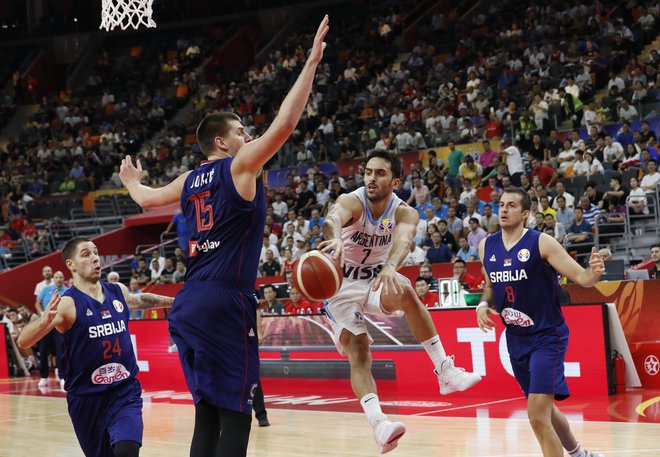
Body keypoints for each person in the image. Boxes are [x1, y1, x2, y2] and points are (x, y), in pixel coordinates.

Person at [119, 16, 329, 457]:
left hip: (189, 303)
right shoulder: (239, 166)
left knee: (207, 415)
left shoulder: (190, 178)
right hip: (224, 301)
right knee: (236, 414)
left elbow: (146, 200)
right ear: (220, 141)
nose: (247, 135)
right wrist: (310, 63)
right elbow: (286, 124)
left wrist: (130, 181)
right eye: (239, 131)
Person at [318, 150, 481, 454]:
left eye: (379, 173)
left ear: (394, 181)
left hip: (376, 279)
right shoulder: (353, 201)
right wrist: (336, 238)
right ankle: (379, 423)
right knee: (359, 349)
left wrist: (391, 265)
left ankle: (444, 370)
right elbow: (332, 218)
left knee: (405, 288)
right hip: (341, 286)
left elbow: (404, 241)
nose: (371, 178)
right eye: (368, 172)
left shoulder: (405, 211)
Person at [476, 188, 605, 457]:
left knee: (536, 416)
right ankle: (579, 454)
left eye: (511, 206)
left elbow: (582, 278)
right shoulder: (486, 245)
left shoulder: (541, 242)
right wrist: (483, 303)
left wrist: (593, 272)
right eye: (501, 204)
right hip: (515, 339)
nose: (503, 209)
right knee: (545, 410)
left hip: (547, 335)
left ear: (524, 214)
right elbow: (490, 285)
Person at [17, 237, 173, 457]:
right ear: (70, 265)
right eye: (86, 254)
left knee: (127, 450)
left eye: (96, 252)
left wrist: (177, 302)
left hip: (124, 392)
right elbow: (23, 341)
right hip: (86, 400)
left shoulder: (117, 290)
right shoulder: (67, 304)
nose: (95, 258)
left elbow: (140, 300)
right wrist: (44, 321)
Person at [35, 270, 68, 388]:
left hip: (59, 325)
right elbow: (37, 303)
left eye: (61, 277)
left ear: (64, 279)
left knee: (61, 352)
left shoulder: (67, 291)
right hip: (46, 325)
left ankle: (63, 377)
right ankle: (44, 377)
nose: (59, 279)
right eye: (57, 277)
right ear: (53, 279)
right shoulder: (45, 289)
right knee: (43, 351)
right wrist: (41, 312)